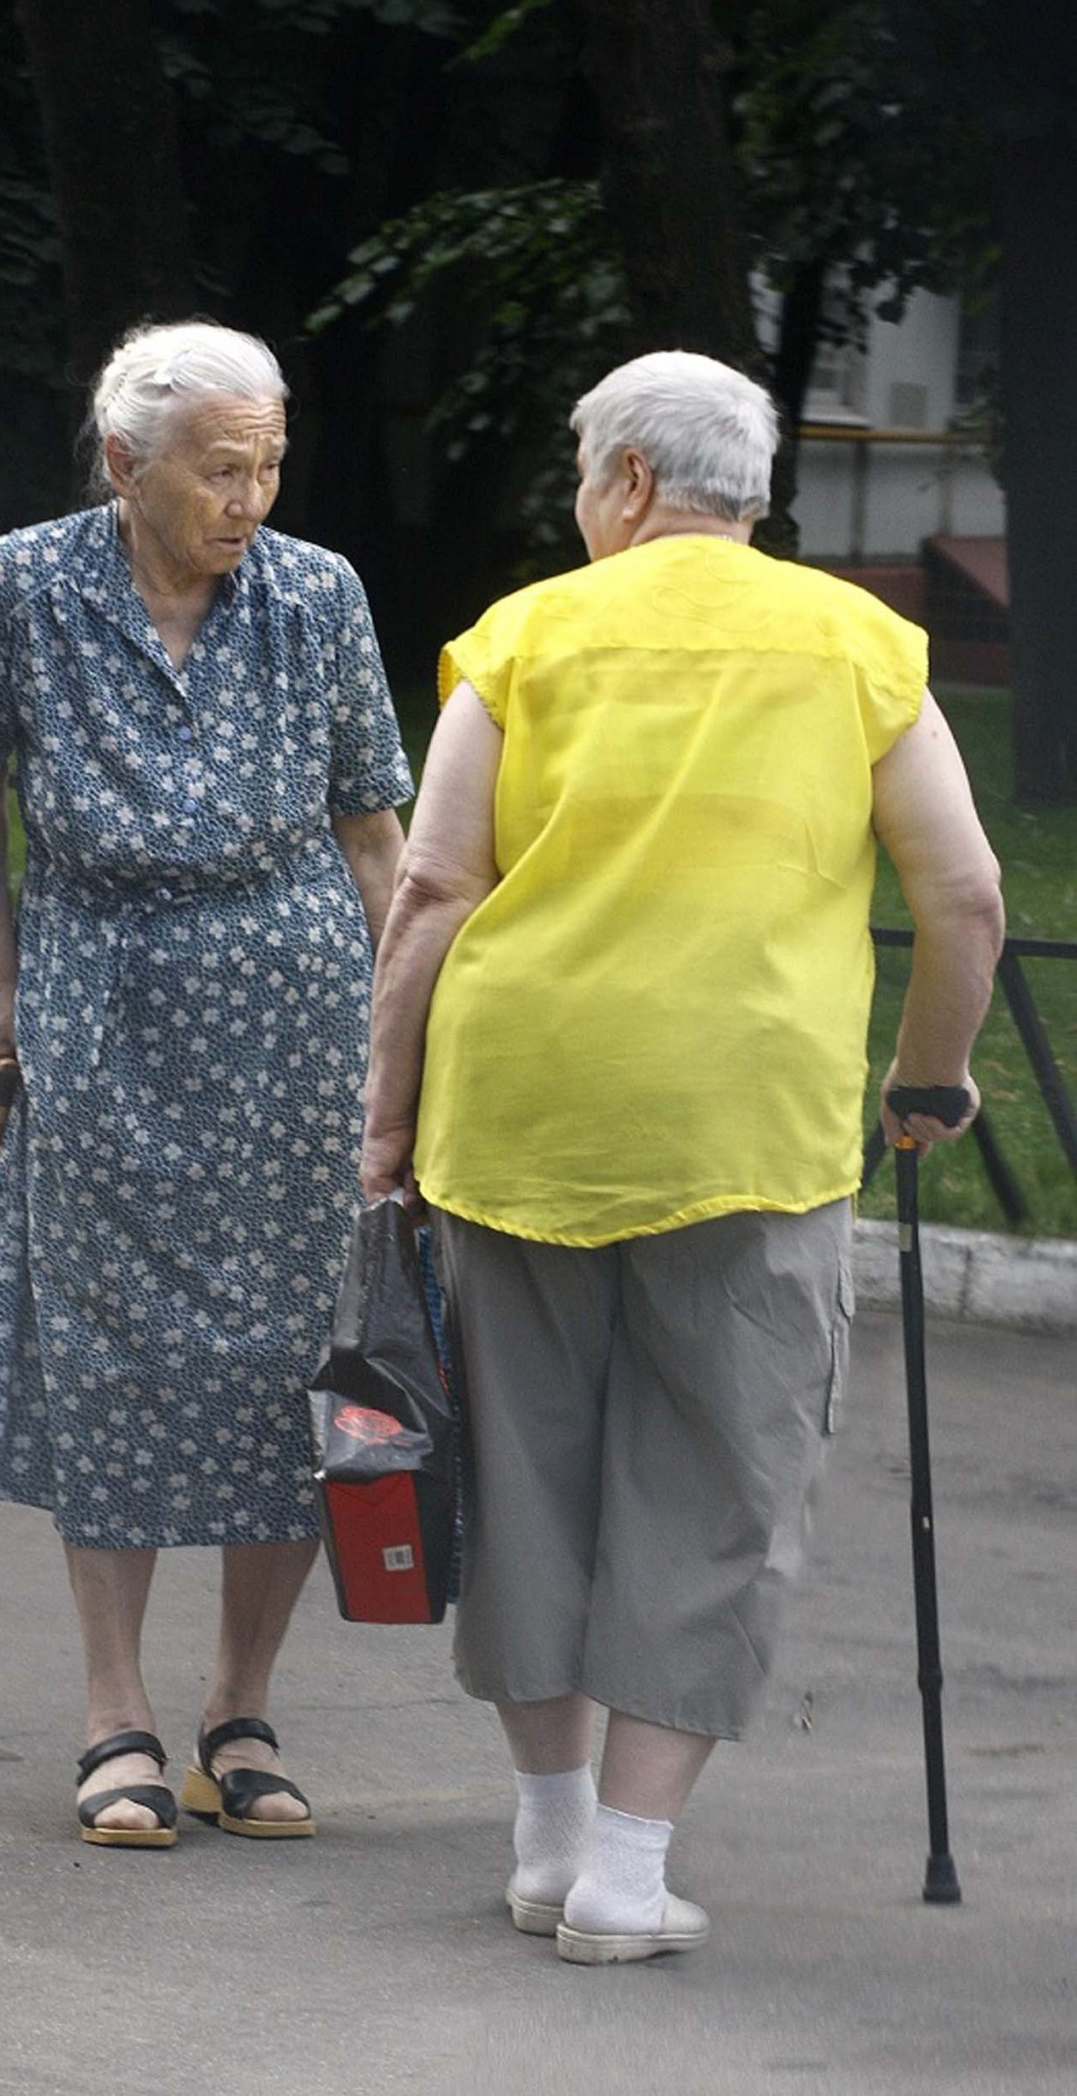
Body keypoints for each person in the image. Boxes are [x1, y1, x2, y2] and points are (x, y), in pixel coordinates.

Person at [359, 351, 1003, 1963]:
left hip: (519, 1122)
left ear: (631, 483)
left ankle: (544, 1842)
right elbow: (970, 897)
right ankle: (629, 1875)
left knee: (523, 1473)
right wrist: (930, 1078)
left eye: (585, 474)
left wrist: (384, 1119)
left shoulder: (522, 636)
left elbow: (434, 885)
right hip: (751, 1128)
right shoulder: (862, 643)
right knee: (719, 1482)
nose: (581, 504)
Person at [0, 320, 411, 1847]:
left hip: (297, 1021)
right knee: (114, 1356)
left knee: (288, 1361)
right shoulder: (22, 581)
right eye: (219, 468)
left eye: (267, 464)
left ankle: (240, 1706)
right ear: (126, 463)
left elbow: (374, 823)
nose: (248, 495)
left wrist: (413, 1027)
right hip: (103, 1004)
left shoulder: (318, 592)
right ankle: (114, 1710)